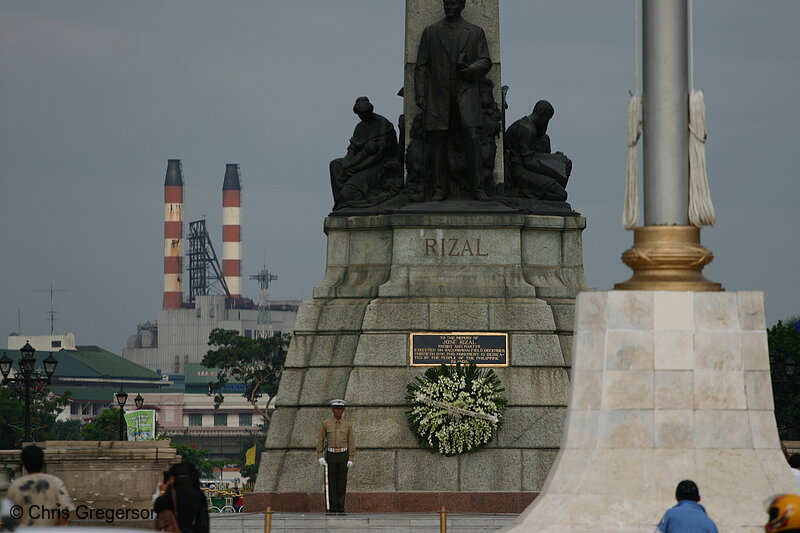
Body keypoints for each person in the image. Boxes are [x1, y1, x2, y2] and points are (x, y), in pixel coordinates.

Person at [414, 0, 492, 201]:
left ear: (462, 5)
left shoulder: (475, 32)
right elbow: (421, 66)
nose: (449, 6)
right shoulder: (431, 32)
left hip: (466, 93)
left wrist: (470, 70)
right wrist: (420, 95)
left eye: (453, 3)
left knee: (473, 137)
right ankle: (439, 188)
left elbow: (485, 60)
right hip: (438, 96)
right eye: (446, 2)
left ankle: (478, 188)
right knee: (437, 140)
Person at [329, 96, 398, 209]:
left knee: (349, 191)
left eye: (365, 114)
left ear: (370, 110)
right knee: (335, 165)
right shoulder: (360, 126)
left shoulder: (382, 124)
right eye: (360, 115)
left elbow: (379, 154)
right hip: (361, 160)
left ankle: (349, 198)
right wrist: (347, 162)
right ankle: (341, 203)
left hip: (379, 164)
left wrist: (357, 167)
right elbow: (352, 148)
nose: (363, 117)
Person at [505, 99, 572, 201]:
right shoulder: (527, 129)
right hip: (519, 173)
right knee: (561, 194)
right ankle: (523, 194)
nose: (547, 122)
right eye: (547, 119)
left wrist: (553, 158)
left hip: (521, 169)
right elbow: (528, 162)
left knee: (566, 163)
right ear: (542, 113)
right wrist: (554, 170)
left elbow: (531, 154)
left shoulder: (524, 125)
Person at [6, 444, 75, 527]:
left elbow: (8, 517)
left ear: (24, 462)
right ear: (42, 461)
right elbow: (65, 509)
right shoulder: (55, 481)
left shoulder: (15, 485)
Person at [316, 399, 355, 515]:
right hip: (331, 454)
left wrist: (351, 458)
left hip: (343, 454)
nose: (338, 411)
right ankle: (332, 508)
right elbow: (321, 440)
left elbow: (351, 442)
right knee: (331, 482)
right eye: (336, 409)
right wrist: (320, 455)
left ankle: (341, 507)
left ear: (343, 410)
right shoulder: (326, 424)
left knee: (342, 482)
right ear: (332, 410)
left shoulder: (348, 425)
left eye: (340, 409)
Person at [154, 462, 209, 533]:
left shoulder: (174, 492)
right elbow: (203, 523)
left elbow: (158, 506)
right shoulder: (197, 493)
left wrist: (162, 492)